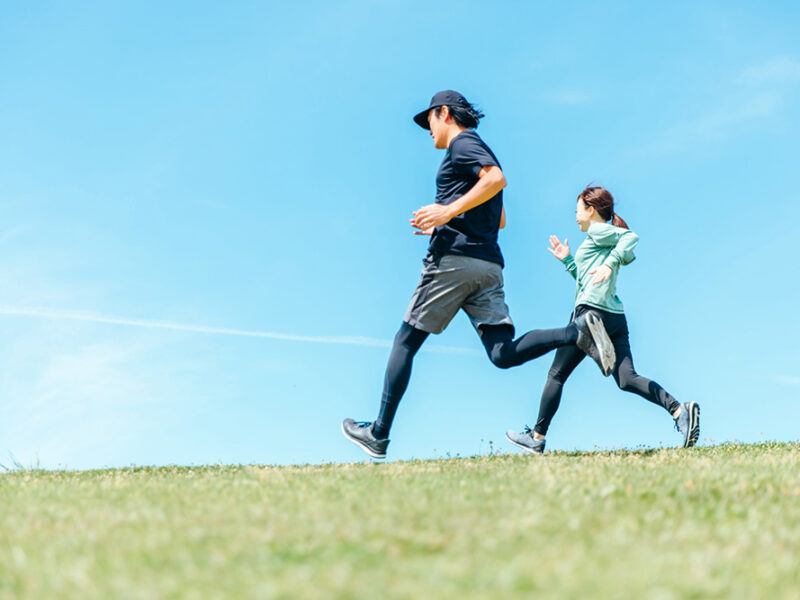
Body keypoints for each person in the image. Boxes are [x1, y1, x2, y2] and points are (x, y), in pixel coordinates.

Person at [341, 91, 614, 459]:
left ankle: (378, 433)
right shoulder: (479, 152)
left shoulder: (463, 144)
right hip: (488, 266)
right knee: (502, 354)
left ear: (445, 114)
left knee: (405, 341)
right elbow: (499, 217)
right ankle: (576, 331)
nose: (429, 131)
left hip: (453, 262)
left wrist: (445, 213)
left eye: (430, 122)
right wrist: (448, 218)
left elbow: (496, 179)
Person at [506, 186, 700, 454]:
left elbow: (631, 237)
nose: (575, 217)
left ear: (590, 209)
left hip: (590, 315)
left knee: (557, 374)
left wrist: (610, 264)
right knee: (626, 378)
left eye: (577, 211)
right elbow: (588, 280)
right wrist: (568, 262)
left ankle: (537, 437)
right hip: (614, 317)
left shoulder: (599, 231)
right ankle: (679, 411)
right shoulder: (598, 240)